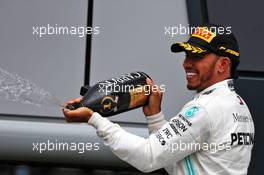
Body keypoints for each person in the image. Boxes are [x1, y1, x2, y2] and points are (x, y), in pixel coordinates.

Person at [63, 23, 254, 175]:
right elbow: (170, 160)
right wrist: (154, 116)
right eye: (187, 55)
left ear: (223, 64)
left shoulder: (205, 108)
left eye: (197, 56)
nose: (186, 63)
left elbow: (148, 157)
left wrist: (94, 119)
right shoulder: (240, 106)